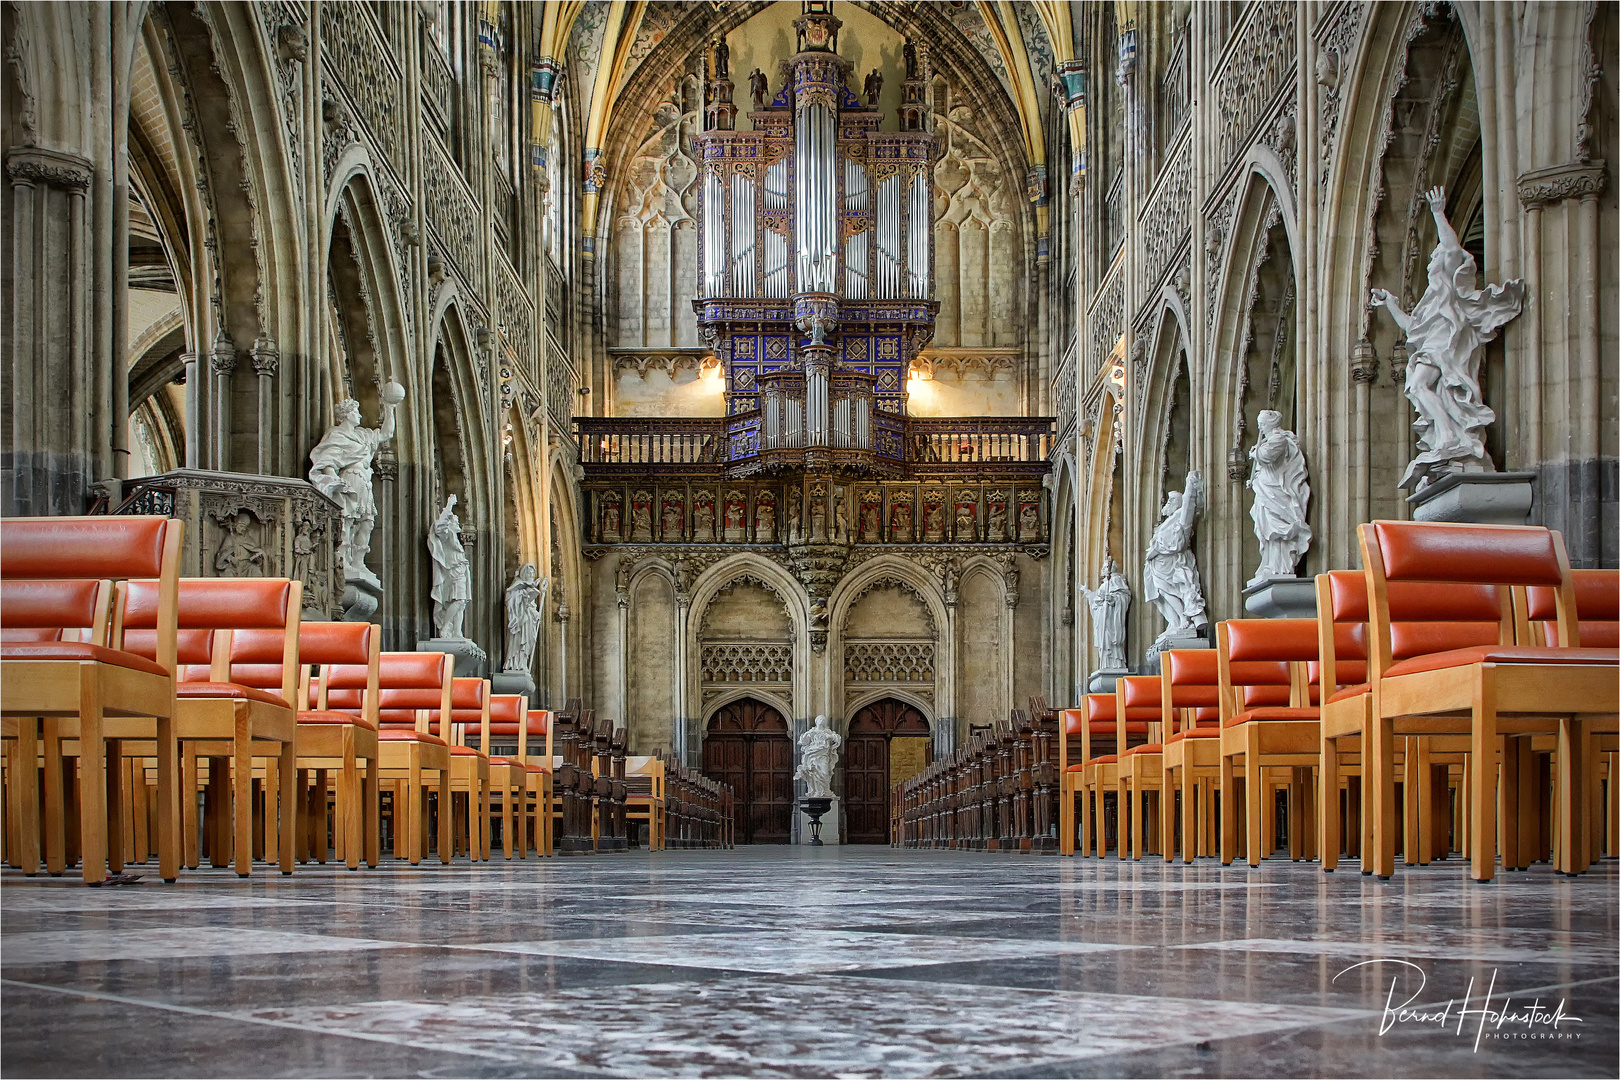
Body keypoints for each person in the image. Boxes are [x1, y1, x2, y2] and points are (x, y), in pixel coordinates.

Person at [1370, 185, 1523, 489]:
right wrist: (1391, 304)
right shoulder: (1431, 301)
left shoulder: (1450, 294)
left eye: (1434, 260)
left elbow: (1451, 248)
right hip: (1435, 345)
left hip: (1449, 343)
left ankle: (1450, 436)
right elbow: (1412, 327)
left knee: (1418, 383)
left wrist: (1439, 214)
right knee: (1417, 386)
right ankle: (1448, 434)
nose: (1430, 264)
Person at [308, 383, 402, 585]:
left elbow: (386, 433)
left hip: (364, 480)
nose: (359, 416)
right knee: (348, 520)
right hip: (349, 478)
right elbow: (328, 461)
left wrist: (389, 407)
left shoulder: (363, 435)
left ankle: (358, 561)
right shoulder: (336, 435)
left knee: (367, 521)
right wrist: (336, 481)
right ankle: (342, 558)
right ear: (346, 414)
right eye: (356, 412)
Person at [1246, 410, 1311, 585]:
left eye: (1262, 423)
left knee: (1278, 529)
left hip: (1277, 492)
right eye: (1259, 423)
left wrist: (1255, 453)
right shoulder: (1268, 441)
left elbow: (1267, 456)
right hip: (1266, 490)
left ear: (1271, 424)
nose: (1260, 426)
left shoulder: (1279, 439)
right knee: (1266, 530)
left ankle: (1280, 567)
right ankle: (1269, 564)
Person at [1143, 471, 1207, 638]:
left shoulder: (1180, 516)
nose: (1168, 503)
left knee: (1168, 590)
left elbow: (1176, 540)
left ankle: (1183, 619)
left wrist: (1190, 484)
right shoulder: (1168, 521)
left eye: (1172, 500)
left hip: (1170, 564)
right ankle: (1175, 622)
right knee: (1162, 593)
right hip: (1161, 565)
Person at [426, 495, 472, 640]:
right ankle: (446, 627)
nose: (458, 522)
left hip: (461, 571)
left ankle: (457, 632)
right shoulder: (447, 535)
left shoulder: (455, 540)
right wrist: (449, 505)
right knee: (458, 600)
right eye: (455, 520)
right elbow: (440, 526)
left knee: (462, 602)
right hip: (453, 572)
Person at [1079, 556, 1130, 671]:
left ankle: (1115, 664)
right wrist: (1089, 594)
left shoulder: (1116, 580)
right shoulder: (1104, 584)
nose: (1102, 569)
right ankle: (1105, 664)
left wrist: (1113, 600)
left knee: (1110, 640)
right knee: (1104, 641)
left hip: (1111, 619)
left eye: (1104, 567)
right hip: (1102, 618)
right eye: (1103, 567)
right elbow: (1096, 600)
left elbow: (1123, 597)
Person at [502, 564, 545, 675]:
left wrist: (536, 614)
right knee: (518, 642)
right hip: (520, 622)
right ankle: (515, 663)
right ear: (523, 573)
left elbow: (532, 607)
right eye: (529, 572)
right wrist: (523, 598)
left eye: (532, 573)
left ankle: (523, 663)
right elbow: (511, 603)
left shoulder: (530, 588)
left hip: (528, 621)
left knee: (527, 643)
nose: (531, 575)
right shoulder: (516, 587)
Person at [795, 715, 842, 800]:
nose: (821, 721)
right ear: (816, 721)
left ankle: (825, 791)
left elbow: (837, 738)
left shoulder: (827, 732)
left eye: (823, 720)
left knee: (825, 773)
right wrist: (807, 736)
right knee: (814, 773)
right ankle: (815, 791)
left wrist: (830, 737)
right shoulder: (812, 731)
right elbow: (802, 741)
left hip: (823, 756)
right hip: (813, 756)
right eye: (820, 719)